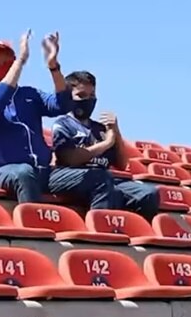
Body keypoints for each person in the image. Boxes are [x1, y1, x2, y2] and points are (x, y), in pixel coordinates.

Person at [0, 32, 112, 207]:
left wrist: (53, 67)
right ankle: (33, 226)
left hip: (42, 172)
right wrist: (19, 63)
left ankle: (99, 229)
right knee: (23, 173)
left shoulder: (29, 94)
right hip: (0, 172)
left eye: (8, 62)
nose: (3, 66)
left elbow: (62, 105)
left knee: (99, 177)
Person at [50, 70, 160, 220]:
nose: (88, 100)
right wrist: (106, 143)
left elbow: (122, 164)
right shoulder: (63, 124)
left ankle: (132, 231)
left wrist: (116, 132)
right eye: (81, 95)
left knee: (147, 193)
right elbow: (69, 158)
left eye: (92, 95)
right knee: (101, 179)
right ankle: (102, 229)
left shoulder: (100, 128)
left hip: (106, 180)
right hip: (76, 179)